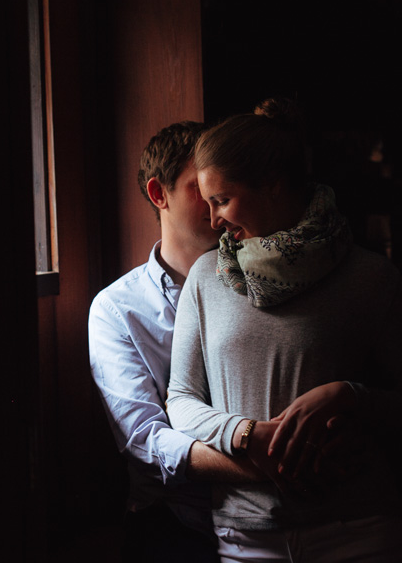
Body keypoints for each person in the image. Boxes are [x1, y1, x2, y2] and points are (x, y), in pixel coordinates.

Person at [166, 98, 402, 562]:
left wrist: (349, 395)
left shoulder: (371, 276)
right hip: (249, 538)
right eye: (208, 205)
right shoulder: (207, 278)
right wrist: (246, 435)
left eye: (222, 200)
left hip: (360, 531)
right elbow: (181, 400)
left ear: (272, 183)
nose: (214, 222)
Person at [88, 121, 266, 563]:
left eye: (220, 188)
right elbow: (146, 438)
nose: (214, 203)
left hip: (270, 515)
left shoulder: (263, 282)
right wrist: (261, 465)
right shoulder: (117, 309)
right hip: (175, 521)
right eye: (196, 188)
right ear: (158, 194)